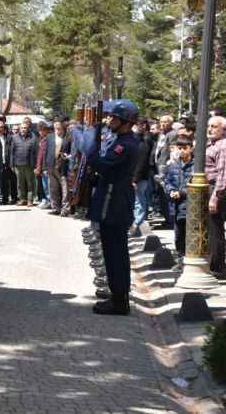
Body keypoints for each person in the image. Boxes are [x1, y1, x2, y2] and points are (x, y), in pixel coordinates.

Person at [82, 100, 140, 316]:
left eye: (114, 118)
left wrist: (92, 139)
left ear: (125, 122)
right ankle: (119, 295)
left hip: (113, 202)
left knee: (114, 253)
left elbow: (97, 162)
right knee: (116, 252)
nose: (110, 121)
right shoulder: (124, 141)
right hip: (116, 200)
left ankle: (119, 301)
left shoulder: (124, 145)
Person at [165, 137, 194, 259]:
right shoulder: (174, 165)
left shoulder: (195, 166)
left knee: (190, 234)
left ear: (191, 148)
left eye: (185, 148)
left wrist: (181, 193)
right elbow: (167, 181)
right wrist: (171, 190)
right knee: (178, 235)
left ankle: (189, 257)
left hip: (190, 206)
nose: (182, 151)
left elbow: (195, 186)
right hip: (176, 206)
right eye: (180, 148)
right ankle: (180, 258)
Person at [207, 115, 226, 278]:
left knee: (215, 230)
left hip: (216, 191)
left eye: (214, 126)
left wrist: (215, 198)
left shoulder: (223, 146)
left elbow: (222, 175)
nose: (210, 129)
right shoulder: (211, 144)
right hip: (207, 188)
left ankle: (217, 266)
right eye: (209, 126)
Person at [131, 121, 153, 236]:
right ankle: (135, 223)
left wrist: (135, 179)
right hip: (137, 177)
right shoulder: (137, 143)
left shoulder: (143, 144)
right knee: (136, 201)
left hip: (140, 178)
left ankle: (137, 223)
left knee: (139, 201)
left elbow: (141, 164)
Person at [45, 121, 72, 216]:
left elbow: (73, 152)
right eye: (55, 125)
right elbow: (46, 151)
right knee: (53, 188)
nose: (56, 127)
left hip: (62, 166)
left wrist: (69, 156)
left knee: (65, 189)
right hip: (50, 165)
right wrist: (45, 166)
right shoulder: (50, 137)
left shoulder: (68, 137)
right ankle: (55, 208)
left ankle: (65, 209)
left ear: (63, 127)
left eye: (58, 125)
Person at [10, 119, 37, 206]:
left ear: (28, 129)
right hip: (18, 164)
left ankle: (30, 200)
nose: (23, 129)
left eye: (25, 128)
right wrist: (12, 164)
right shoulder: (14, 138)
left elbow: (35, 152)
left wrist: (35, 165)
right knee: (20, 184)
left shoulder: (32, 138)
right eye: (21, 128)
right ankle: (22, 199)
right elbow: (12, 152)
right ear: (19, 129)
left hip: (29, 164)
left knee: (30, 183)